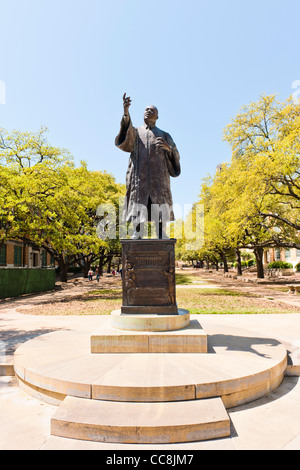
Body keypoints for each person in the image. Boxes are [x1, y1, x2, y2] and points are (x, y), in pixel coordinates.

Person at [115, 93, 181, 239]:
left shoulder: (164, 135)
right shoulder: (137, 132)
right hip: (140, 177)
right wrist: (126, 113)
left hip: (159, 178)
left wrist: (170, 150)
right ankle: (138, 232)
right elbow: (126, 138)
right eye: (146, 110)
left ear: (157, 117)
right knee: (139, 201)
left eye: (152, 110)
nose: (148, 112)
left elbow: (176, 155)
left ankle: (161, 232)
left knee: (159, 203)